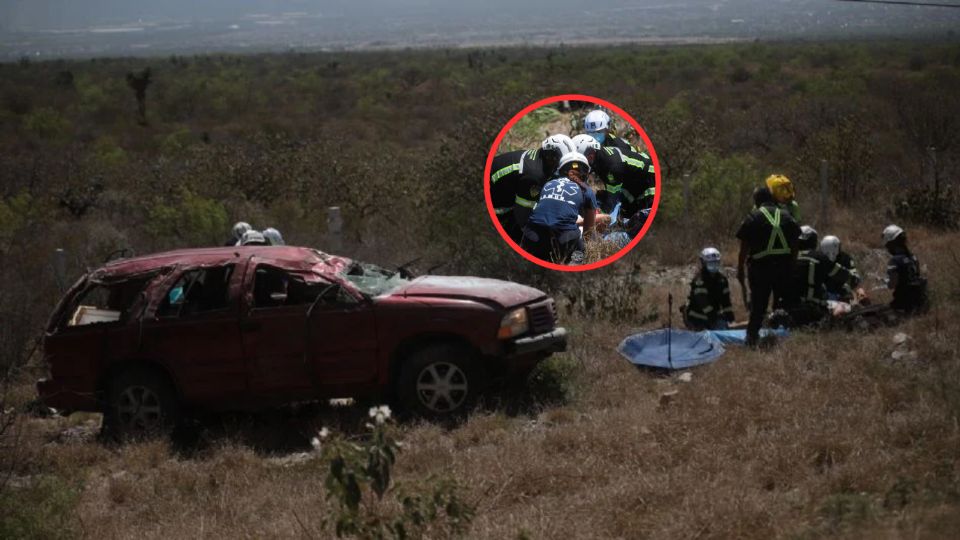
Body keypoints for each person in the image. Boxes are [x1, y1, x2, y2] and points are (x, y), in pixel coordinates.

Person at [736, 187, 801, 347]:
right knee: (784, 303)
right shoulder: (787, 215)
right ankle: (786, 337)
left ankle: (752, 339)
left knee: (758, 305)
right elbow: (795, 243)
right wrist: (792, 265)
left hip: (761, 268)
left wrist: (740, 268)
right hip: (784, 267)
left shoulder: (753, 217)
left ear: (757, 201)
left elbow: (744, 247)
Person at [490, 135, 574, 242]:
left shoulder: (541, 160)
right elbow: (522, 213)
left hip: (502, 187)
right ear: (551, 156)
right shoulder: (534, 174)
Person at [521, 152, 598, 264]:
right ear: (585, 173)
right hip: (564, 238)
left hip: (532, 234)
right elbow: (588, 230)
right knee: (580, 255)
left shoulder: (548, 183)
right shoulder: (587, 190)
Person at [572, 134, 655, 233]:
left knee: (639, 224)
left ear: (590, 155)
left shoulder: (612, 166)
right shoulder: (599, 157)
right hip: (633, 183)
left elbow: (611, 199)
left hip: (650, 181)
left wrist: (598, 214)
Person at [783, 226, 854, 326]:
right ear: (813, 241)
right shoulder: (820, 258)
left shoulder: (786, 258)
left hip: (787, 307)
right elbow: (845, 276)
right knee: (847, 307)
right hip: (812, 309)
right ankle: (830, 323)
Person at [683, 247, 735, 331]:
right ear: (703, 263)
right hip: (697, 318)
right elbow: (702, 301)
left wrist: (729, 314)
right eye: (711, 263)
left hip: (714, 317)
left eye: (716, 262)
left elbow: (726, 300)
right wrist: (712, 316)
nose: (714, 265)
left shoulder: (722, 280)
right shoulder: (699, 280)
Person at [883, 224, 928, 314]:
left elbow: (892, 285)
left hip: (902, 305)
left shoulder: (895, 260)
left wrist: (886, 282)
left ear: (892, 244)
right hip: (919, 302)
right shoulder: (913, 257)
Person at [820, 235, 865, 303]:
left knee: (861, 293)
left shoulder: (845, 258)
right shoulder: (819, 259)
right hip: (824, 294)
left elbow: (854, 276)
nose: (840, 248)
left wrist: (846, 287)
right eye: (838, 246)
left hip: (842, 292)